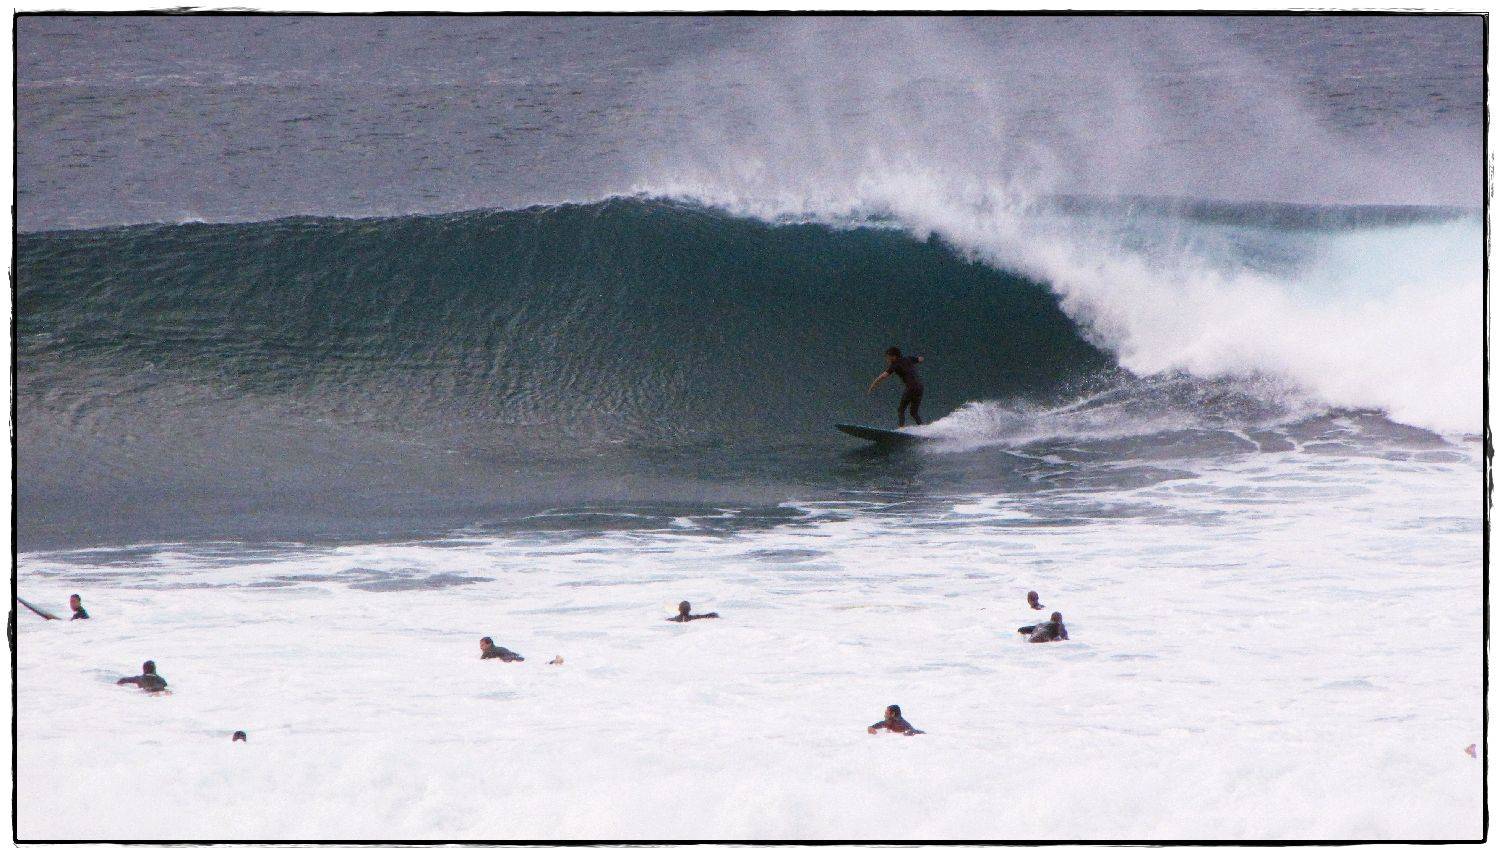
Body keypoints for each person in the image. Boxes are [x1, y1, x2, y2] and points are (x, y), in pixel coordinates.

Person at [867, 346, 925, 427]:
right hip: (920, 388)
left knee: (901, 410)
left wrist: (872, 386)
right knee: (913, 412)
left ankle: (901, 429)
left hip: (911, 388)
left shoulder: (895, 365)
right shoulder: (908, 358)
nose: (887, 360)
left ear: (894, 357)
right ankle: (924, 429)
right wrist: (919, 359)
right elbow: (920, 359)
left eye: (888, 357)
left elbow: (882, 377)